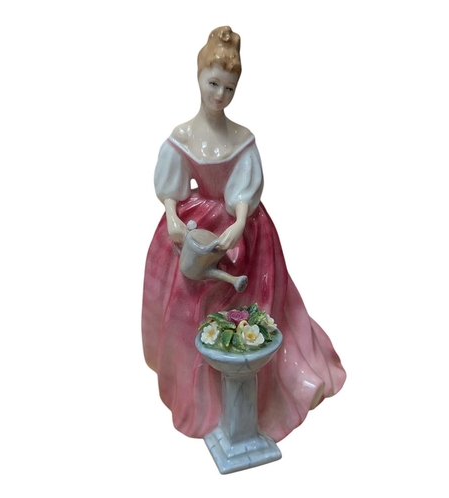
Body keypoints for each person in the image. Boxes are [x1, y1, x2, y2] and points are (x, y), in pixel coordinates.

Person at [142, 26, 346, 442]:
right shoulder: (182, 136)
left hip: (242, 230)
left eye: (229, 88)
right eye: (213, 84)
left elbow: (244, 190)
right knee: (190, 300)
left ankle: (251, 395)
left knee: (251, 300)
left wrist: (238, 222)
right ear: (199, 76)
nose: (220, 95)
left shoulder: (242, 138)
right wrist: (172, 216)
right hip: (196, 225)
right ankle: (197, 393)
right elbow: (171, 187)